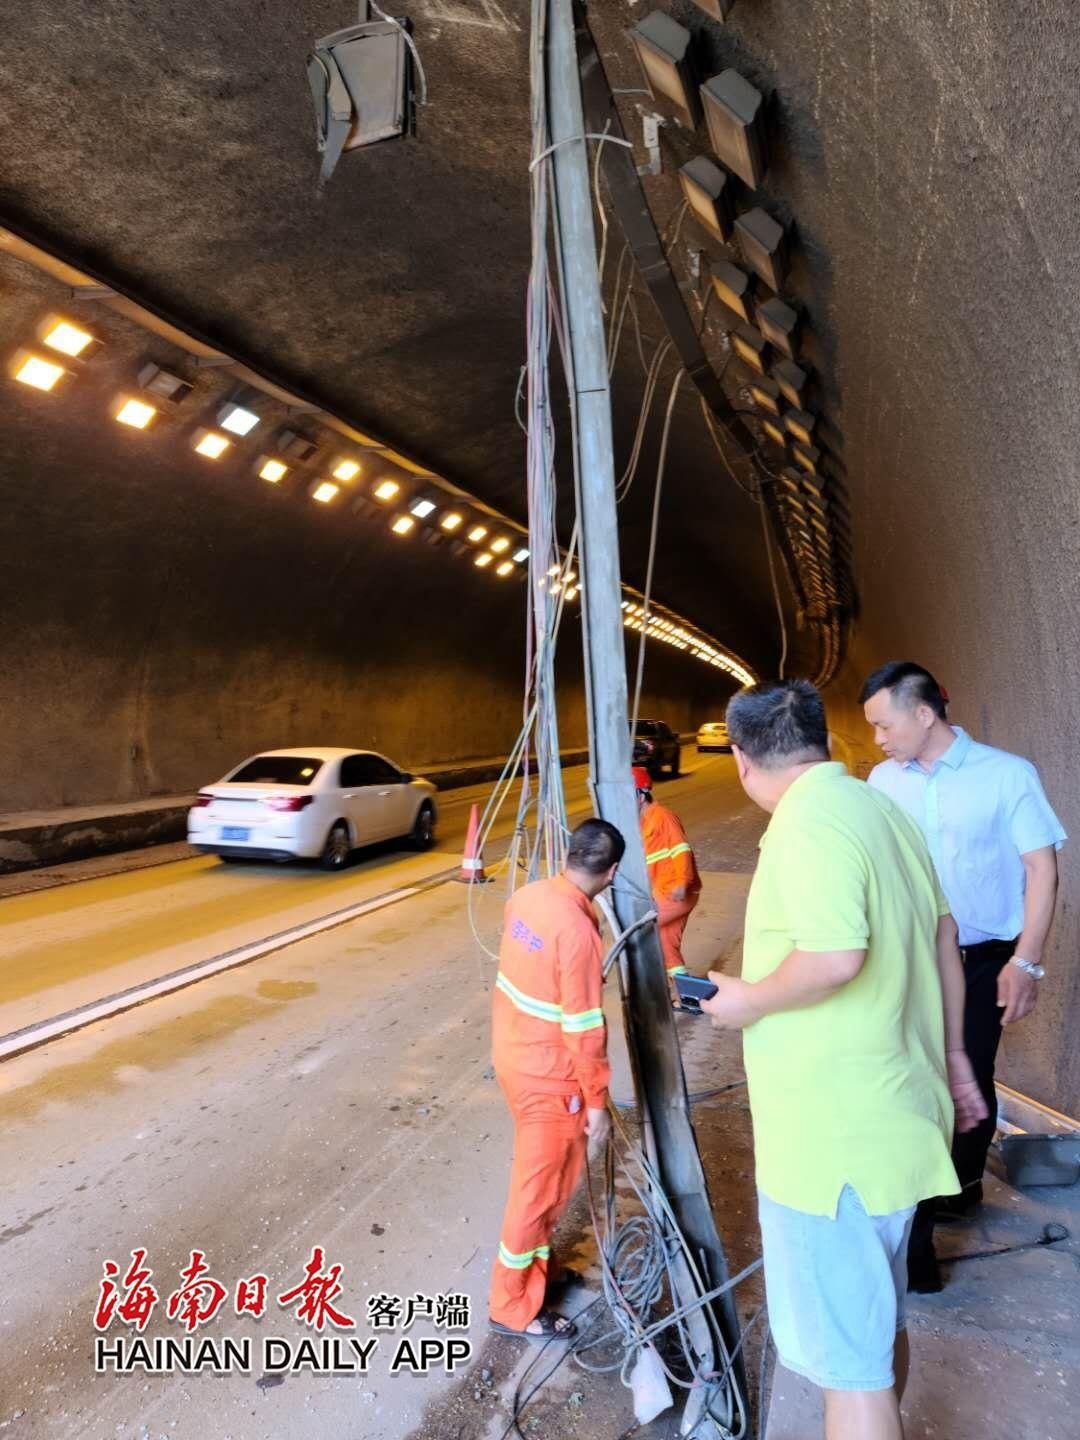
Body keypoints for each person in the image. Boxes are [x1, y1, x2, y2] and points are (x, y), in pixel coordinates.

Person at [701, 679, 986, 1440]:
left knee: (849, 1371)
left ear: (742, 758)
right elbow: (943, 943)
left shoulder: (807, 824)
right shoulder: (879, 809)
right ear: (824, 740)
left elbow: (836, 957)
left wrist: (747, 999)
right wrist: (956, 1060)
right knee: (876, 1331)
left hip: (833, 1154)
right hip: (895, 1122)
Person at [861, 660, 1066, 1291]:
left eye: (883, 723)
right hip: (908, 956)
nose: (876, 739)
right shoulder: (881, 780)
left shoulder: (1004, 776)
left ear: (924, 714)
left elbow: (1041, 870)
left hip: (982, 958)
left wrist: (1024, 962)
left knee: (970, 1071)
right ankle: (919, 1219)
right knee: (913, 1079)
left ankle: (962, 1184)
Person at [488, 817, 623, 1341]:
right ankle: (512, 1306)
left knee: (544, 1187)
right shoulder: (577, 933)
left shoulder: (528, 898)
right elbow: (586, 1031)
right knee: (539, 1192)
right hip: (551, 1081)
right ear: (610, 873)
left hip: (515, 1059)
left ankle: (534, 1280)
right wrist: (596, 1103)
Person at [633, 765, 702, 990]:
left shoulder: (663, 816)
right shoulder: (642, 823)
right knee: (666, 944)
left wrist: (682, 881)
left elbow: (681, 849)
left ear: (641, 796)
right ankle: (689, 994)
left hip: (675, 891)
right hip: (666, 891)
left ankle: (647, 992)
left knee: (636, 928)